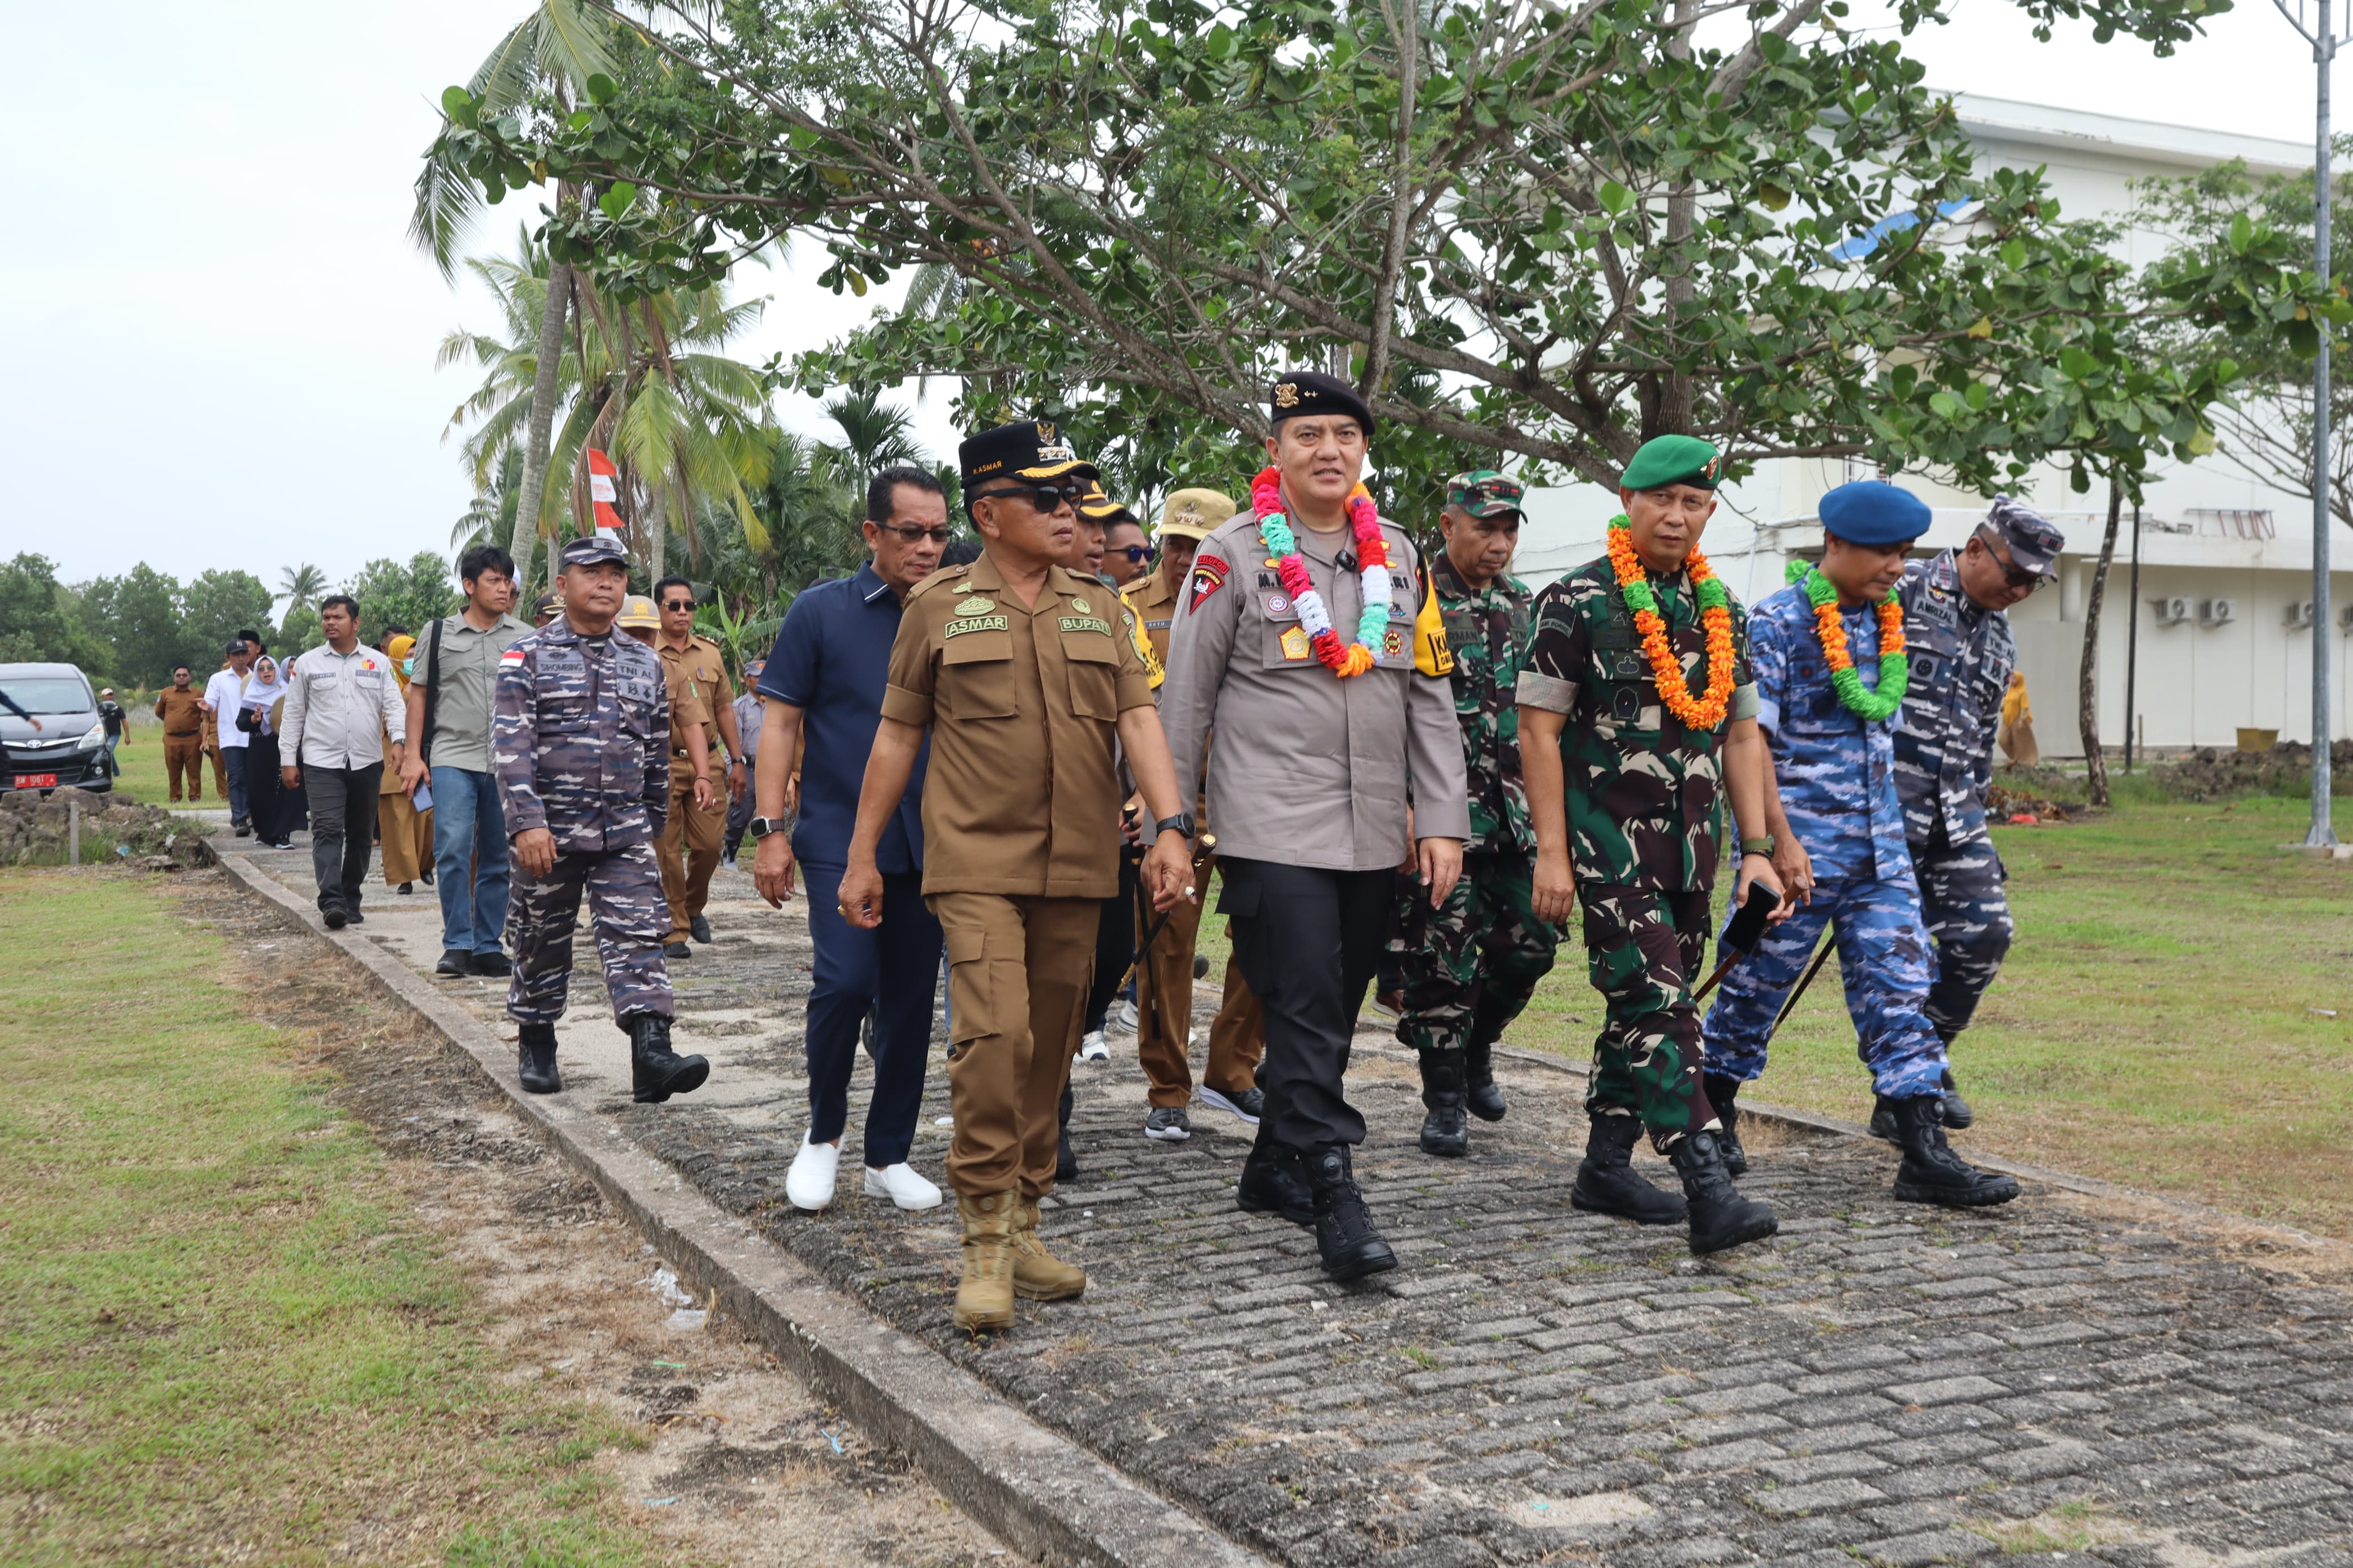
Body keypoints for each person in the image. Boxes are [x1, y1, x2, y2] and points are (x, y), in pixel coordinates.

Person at [837, 421, 1191, 1332]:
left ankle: (1026, 1223)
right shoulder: (938, 607)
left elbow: (1141, 723)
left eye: (1072, 496)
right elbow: (898, 736)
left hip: (1080, 863)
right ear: (990, 513)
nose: (1067, 510)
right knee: (993, 1041)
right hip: (976, 862)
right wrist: (864, 853)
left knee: (1047, 1048)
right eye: (1047, 497)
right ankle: (985, 1241)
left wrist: (1171, 827)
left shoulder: (1100, 607)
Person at [1158, 372, 1467, 1281]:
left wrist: (1442, 818)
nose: (1328, 450)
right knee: (1301, 1007)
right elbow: (1185, 700)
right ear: (1276, 451)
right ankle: (1335, 1187)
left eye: (1344, 434)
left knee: (1329, 1009)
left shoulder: (1403, 559)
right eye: (1308, 436)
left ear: (1364, 449)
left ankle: (1269, 1169)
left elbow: (1430, 697)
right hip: (1268, 825)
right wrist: (1172, 824)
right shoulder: (1232, 554)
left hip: (1373, 830)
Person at [1700, 480, 2019, 1208]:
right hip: (1791, 857)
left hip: (1881, 855)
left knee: (1900, 995)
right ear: (1835, 543)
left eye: (1904, 553)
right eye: (1882, 551)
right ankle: (1711, 1111)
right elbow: (1751, 745)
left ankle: (1923, 1151)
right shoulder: (1777, 623)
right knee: (1749, 983)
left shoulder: (1890, 622)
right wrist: (1775, 843)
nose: (1894, 566)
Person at [1517, 437, 1782, 1254]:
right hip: (1606, 847)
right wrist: (1553, 853)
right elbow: (1536, 729)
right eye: (1661, 498)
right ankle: (1705, 1181)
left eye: (1694, 502)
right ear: (1629, 500)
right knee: (1658, 1004)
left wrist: (1760, 850)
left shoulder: (1723, 611)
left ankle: (1604, 1166)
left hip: (1692, 852)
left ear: (1708, 510)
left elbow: (1743, 739)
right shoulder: (1576, 601)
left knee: (1649, 1005)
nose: (1676, 515)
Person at [751, 465, 950, 1215]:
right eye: (912, 533)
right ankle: (823, 1135)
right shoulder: (820, 613)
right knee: (843, 983)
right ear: (872, 533)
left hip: (931, 836)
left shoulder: (960, 613)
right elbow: (779, 724)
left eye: (939, 533)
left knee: (908, 1001)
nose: (929, 548)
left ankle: (888, 1153)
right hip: (837, 830)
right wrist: (772, 831)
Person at [495, 534, 710, 1104]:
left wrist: (650, 823)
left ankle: (652, 1054)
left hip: (625, 832)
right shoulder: (528, 657)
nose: (606, 582)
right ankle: (536, 1036)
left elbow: (657, 753)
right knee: (541, 938)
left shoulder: (644, 661)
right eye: (592, 572)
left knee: (638, 935)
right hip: (550, 832)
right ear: (562, 585)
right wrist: (526, 823)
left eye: (615, 572)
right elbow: (511, 746)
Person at [1881, 496, 2063, 1135]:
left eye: (2032, 584)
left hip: (1954, 822)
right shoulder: (1896, 592)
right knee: (1894, 957)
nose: (2019, 590)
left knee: (1985, 937)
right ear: (1975, 547)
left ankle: (1923, 1061)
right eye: (2013, 574)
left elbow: (1984, 735)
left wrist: (1977, 824)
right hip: (1882, 816)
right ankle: (1910, 1088)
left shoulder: (1998, 631)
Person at [1395, 471, 1559, 1159]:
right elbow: (1388, 713)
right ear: (1447, 524)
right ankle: (1444, 1102)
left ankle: (1478, 1047)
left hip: (1517, 816)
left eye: (1508, 530)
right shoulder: (1409, 599)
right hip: (1443, 818)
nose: (1499, 543)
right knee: (1444, 959)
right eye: (1485, 527)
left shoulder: (1527, 607)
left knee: (1532, 944)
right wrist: (1401, 807)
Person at [1115, 487, 1268, 1139]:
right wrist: (1138, 796)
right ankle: (1167, 1089)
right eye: (1173, 543)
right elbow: (1120, 714)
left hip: (1246, 796)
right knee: (1166, 946)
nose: (1182, 557)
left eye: (1194, 544)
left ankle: (1232, 1073)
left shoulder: (1258, 594)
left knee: (1263, 940)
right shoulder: (1125, 608)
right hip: (1168, 800)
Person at [401, 542, 532, 979]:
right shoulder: (437, 633)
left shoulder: (525, 637)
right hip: (452, 755)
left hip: (508, 760)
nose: (504, 587)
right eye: (494, 580)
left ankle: (487, 945)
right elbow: (419, 695)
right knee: (453, 847)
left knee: (498, 855)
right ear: (470, 585)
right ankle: (456, 942)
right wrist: (413, 757)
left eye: (507, 580)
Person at [280, 597, 406, 929]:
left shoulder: (378, 663)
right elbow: (293, 714)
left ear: (356, 623)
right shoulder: (307, 664)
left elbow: (394, 706)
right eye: (326, 618)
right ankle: (332, 900)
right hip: (322, 761)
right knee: (326, 829)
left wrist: (399, 742)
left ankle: (351, 896)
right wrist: (287, 760)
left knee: (361, 833)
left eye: (337, 617)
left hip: (366, 761)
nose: (330, 623)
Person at [652, 577, 745, 954]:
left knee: (708, 846)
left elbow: (724, 709)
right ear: (660, 609)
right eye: (674, 606)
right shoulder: (646, 651)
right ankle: (675, 928)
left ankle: (692, 907)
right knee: (667, 850)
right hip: (663, 763)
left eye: (688, 606)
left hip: (708, 759)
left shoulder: (710, 653)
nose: (683, 613)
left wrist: (737, 759)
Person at [377, 633, 436, 895]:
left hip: (425, 756)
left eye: (417, 656)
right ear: (396, 659)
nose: (413, 661)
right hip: (394, 759)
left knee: (427, 816)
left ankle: (424, 864)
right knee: (399, 819)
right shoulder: (386, 683)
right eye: (409, 656)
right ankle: (404, 877)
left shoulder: (428, 682)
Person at [238, 655, 295, 849]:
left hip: (283, 747)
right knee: (259, 791)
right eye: (261, 669)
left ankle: (282, 835)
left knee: (283, 790)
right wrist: (254, 720)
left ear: (277, 670)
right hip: (259, 749)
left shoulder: (288, 693)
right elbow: (241, 724)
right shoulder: (252, 694)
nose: (266, 671)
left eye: (270, 667)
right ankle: (264, 832)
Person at [201, 639, 256, 835]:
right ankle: (240, 818)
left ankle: (255, 815)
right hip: (231, 736)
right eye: (236, 655)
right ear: (228, 657)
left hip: (255, 736)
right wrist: (206, 707)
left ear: (249, 656)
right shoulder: (219, 679)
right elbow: (211, 703)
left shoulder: (257, 676)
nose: (241, 658)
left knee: (255, 778)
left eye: (244, 654)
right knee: (236, 777)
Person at [723, 656, 768, 865]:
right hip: (748, 767)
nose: (762, 680)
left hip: (771, 767)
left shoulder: (777, 706)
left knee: (771, 815)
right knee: (741, 812)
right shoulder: (739, 707)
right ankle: (729, 850)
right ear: (747, 680)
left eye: (765, 676)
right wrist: (732, 768)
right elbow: (733, 741)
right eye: (757, 677)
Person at [154, 667, 206, 802]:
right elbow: (159, 712)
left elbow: (205, 714)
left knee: (194, 770)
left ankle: (195, 796)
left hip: (193, 738)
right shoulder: (165, 693)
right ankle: (175, 797)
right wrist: (172, 722)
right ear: (174, 678)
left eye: (184, 675)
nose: (181, 678)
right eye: (178, 675)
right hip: (172, 739)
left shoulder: (198, 693)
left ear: (190, 677)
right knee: (173, 770)